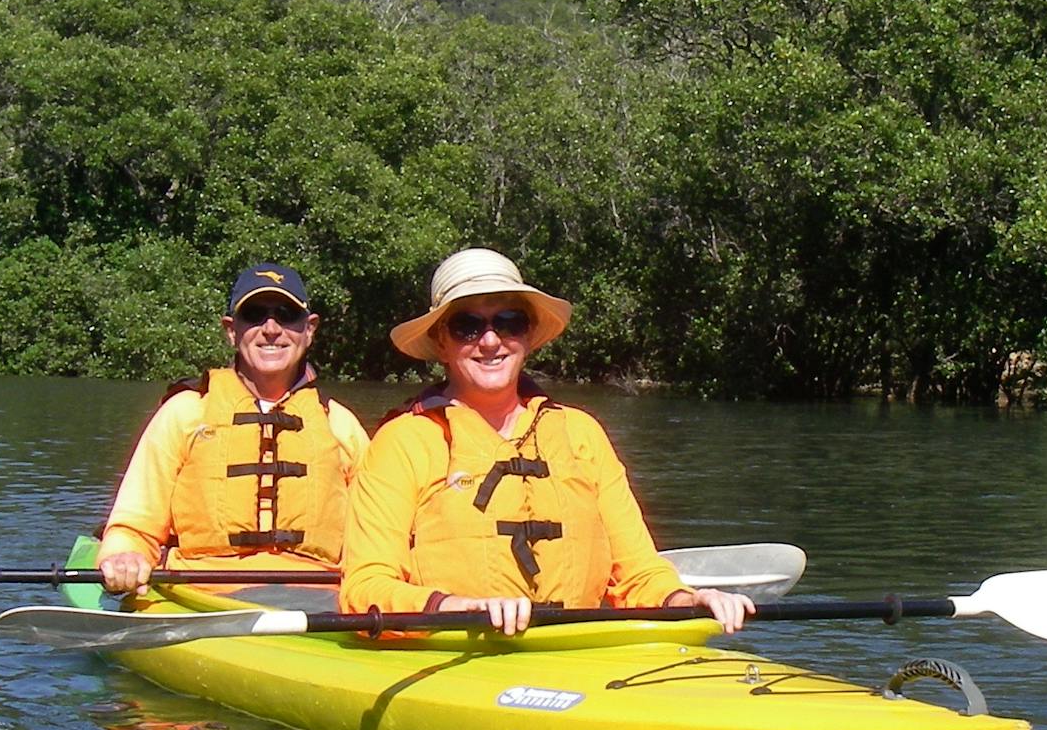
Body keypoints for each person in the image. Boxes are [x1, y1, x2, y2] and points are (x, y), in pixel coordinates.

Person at [339, 247, 752, 635]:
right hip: (458, 650)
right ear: (442, 343)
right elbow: (364, 587)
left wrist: (685, 598)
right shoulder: (403, 442)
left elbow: (638, 573)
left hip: (576, 650)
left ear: (529, 334)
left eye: (508, 322)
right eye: (467, 326)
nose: (489, 341)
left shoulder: (581, 433)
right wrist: (453, 607)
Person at [98, 263, 369, 594]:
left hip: (317, 595)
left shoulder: (340, 425)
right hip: (200, 594)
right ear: (231, 330)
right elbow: (135, 521)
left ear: (309, 329)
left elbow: (376, 535)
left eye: (286, 314)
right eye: (254, 314)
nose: (271, 329)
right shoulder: (185, 413)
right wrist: (124, 555)